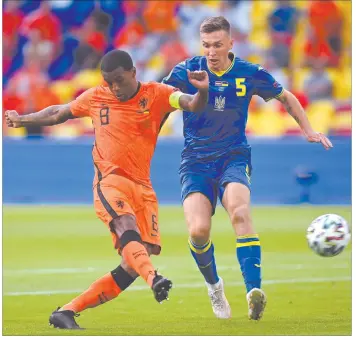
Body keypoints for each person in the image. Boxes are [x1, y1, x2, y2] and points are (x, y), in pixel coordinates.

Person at [5, 49, 209, 329]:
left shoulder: (158, 93)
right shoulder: (95, 96)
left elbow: (191, 103)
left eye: (119, 80)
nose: (114, 87)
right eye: (108, 81)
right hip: (110, 181)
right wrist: (23, 120)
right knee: (127, 229)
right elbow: (58, 113)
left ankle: (66, 311)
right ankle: (155, 278)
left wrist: (203, 92)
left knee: (133, 262)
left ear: (134, 73)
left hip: (143, 187)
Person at [162, 16, 333, 321]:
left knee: (240, 212)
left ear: (230, 43)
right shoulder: (187, 71)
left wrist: (308, 130)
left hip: (234, 156)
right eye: (206, 45)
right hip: (196, 161)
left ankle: (254, 291)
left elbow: (286, 96)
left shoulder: (248, 72)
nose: (211, 52)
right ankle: (214, 286)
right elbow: (158, 101)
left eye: (217, 45)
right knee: (198, 231)